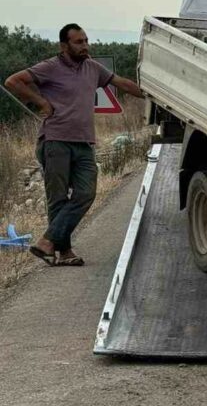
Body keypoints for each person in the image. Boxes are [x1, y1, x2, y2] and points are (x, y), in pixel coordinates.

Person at [3, 23, 143, 267]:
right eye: (79, 42)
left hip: (84, 142)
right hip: (55, 140)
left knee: (86, 193)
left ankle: (47, 242)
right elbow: (13, 81)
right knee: (57, 199)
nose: (85, 46)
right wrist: (40, 102)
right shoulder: (50, 67)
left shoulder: (92, 67)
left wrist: (151, 94)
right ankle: (63, 253)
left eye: (86, 40)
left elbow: (121, 83)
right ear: (64, 46)